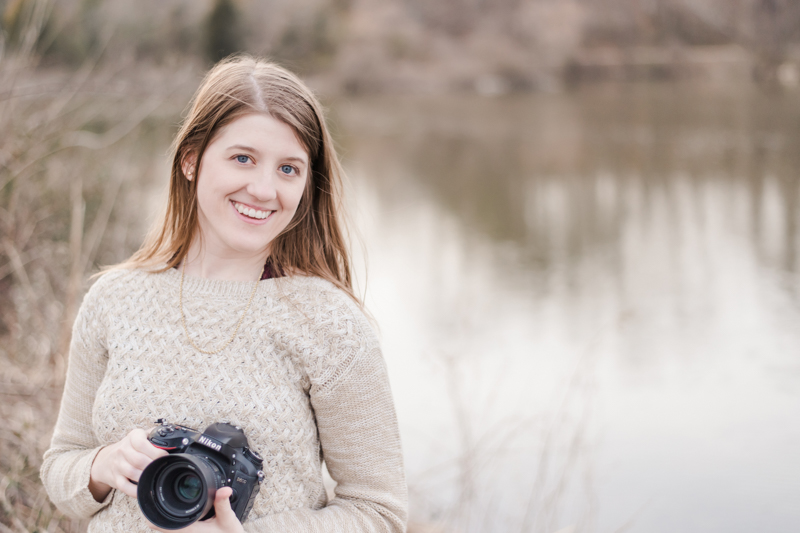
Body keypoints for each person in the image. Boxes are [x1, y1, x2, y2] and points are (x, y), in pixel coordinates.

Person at [40, 55, 407, 533]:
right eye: (242, 158)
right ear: (191, 159)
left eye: (289, 169)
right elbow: (60, 469)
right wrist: (104, 465)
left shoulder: (330, 323)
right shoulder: (113, 300)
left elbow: (379, 512)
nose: (263, 189)